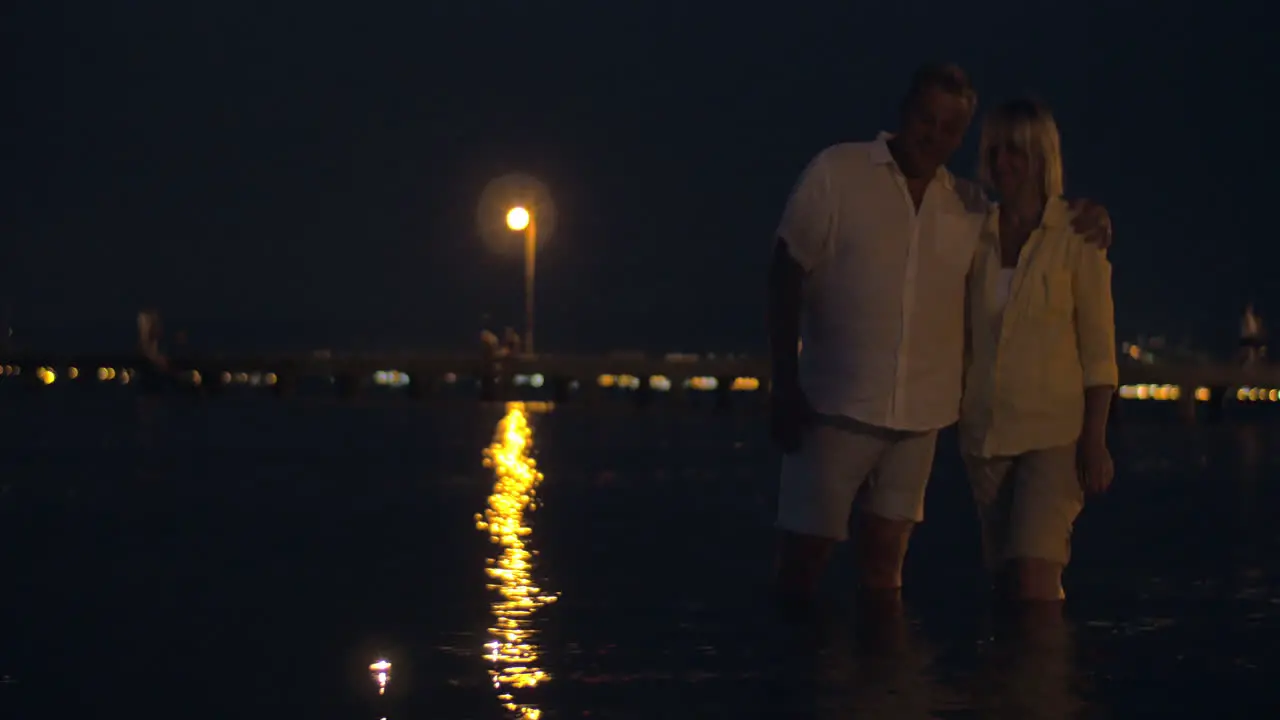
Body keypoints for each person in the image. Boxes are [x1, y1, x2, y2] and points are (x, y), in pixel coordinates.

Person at [767, 62, 1113, 611]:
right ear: (905, 112)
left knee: (912, 571)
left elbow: (1093, 339)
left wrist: (1092, 216)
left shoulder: (998, 215)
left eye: (950, 127)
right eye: (926, 119)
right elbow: (786, 269)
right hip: (853, 411)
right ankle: (802, 683)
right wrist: (783, 381)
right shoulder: (854, 176)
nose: (935, 134)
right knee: (807, 558)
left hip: (952, 425)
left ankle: (899, 688)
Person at [960, 98, 1118, 604]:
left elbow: (1098, 351)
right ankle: (1011, 683)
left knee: (1035, 575)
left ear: (1043, 157)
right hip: (985, 434)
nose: (1005, 162)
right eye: (996, 150)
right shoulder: (971, 229)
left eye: (1019, 152)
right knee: (1007, 582)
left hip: (1053, 434)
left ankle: (1051, 683)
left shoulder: (1077, 235)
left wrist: (1094, 440)